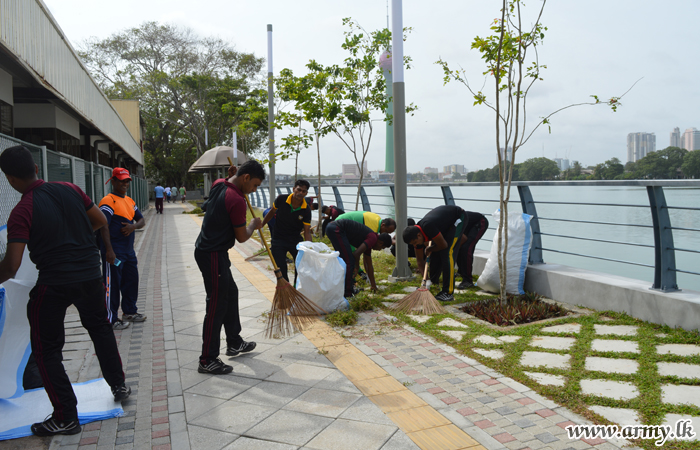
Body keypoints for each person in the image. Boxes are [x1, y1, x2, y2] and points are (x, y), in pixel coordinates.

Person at [0, 146, 130, 437]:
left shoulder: (22, 210)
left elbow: (11, 265)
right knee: (100, 329)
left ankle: (65, 416)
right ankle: (118, 384)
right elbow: (100, 220)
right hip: (89, 276)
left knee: (46, 350)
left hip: (54, 283)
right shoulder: (70, 189)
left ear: (9, 178)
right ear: (36, 167)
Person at [194, 160, 265, 374]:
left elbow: (226, 182)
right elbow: (242, 237)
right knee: (216, 305)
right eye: (254, 185)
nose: (253, 190)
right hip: (212, 254)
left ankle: (234, 341)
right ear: (245, 178)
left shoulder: (219, 184)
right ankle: (207, 359)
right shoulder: (236, 199)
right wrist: (253, 224)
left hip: (211, 251)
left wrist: (231, 177)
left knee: (230, 293)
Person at [98, 168, 147, 330]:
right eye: (121, 181)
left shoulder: (129, 201)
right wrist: (108, 251)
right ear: (113, 181)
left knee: (131, 280)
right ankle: (110, 319)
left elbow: (141, 221)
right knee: (112, 284)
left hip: (128, 252)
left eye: (127, 181)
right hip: (114, 252)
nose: (125, 184)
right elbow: (103, 225)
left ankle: (129, 312)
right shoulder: (108, 201)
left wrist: (132, 227)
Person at [402, 205, 471, 302]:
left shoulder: (428, 226)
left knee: (448, 253)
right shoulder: (417, 233)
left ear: (419, 235)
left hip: (458, 218)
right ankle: (433, 282)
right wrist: (426, 279)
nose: (415, 245)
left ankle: (448, 293)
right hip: (445, 225)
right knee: (435, 252)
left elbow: (444, 245)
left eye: (415, 243)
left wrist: (430, 248)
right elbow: (419, 261)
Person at [261, 179, 313, 285]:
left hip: (295, 240)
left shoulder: (306, 209)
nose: (300, 193)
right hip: (278, 238)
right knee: (280, 268)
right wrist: (261, 225)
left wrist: (309, 248)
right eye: (299, 190)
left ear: (306, 193)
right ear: (294, 189)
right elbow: (271, 212)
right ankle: (285, 290)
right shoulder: (281, 199)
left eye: (303, 191)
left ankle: (296, 288)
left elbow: (307, 231)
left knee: (301, 266)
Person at [326, 219, 392, 298]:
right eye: (382, 248)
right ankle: (348, 293)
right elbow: (356, 254)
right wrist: (356, 267)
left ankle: (342, 288)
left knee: (344, 260)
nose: (379, 250)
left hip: (332, 227)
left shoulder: (370, 242)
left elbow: (369, 265)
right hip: (337, 228)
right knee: (349, 261)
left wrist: (373, 286)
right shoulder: (373, 238)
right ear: (380, 243)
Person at [455, 212, 489, 289]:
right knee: (459, 247)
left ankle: (467, 281)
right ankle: (461, 271)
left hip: (479, 222)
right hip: (467, 226)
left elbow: (462, 238)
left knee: (466, 248)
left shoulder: (449, 224)